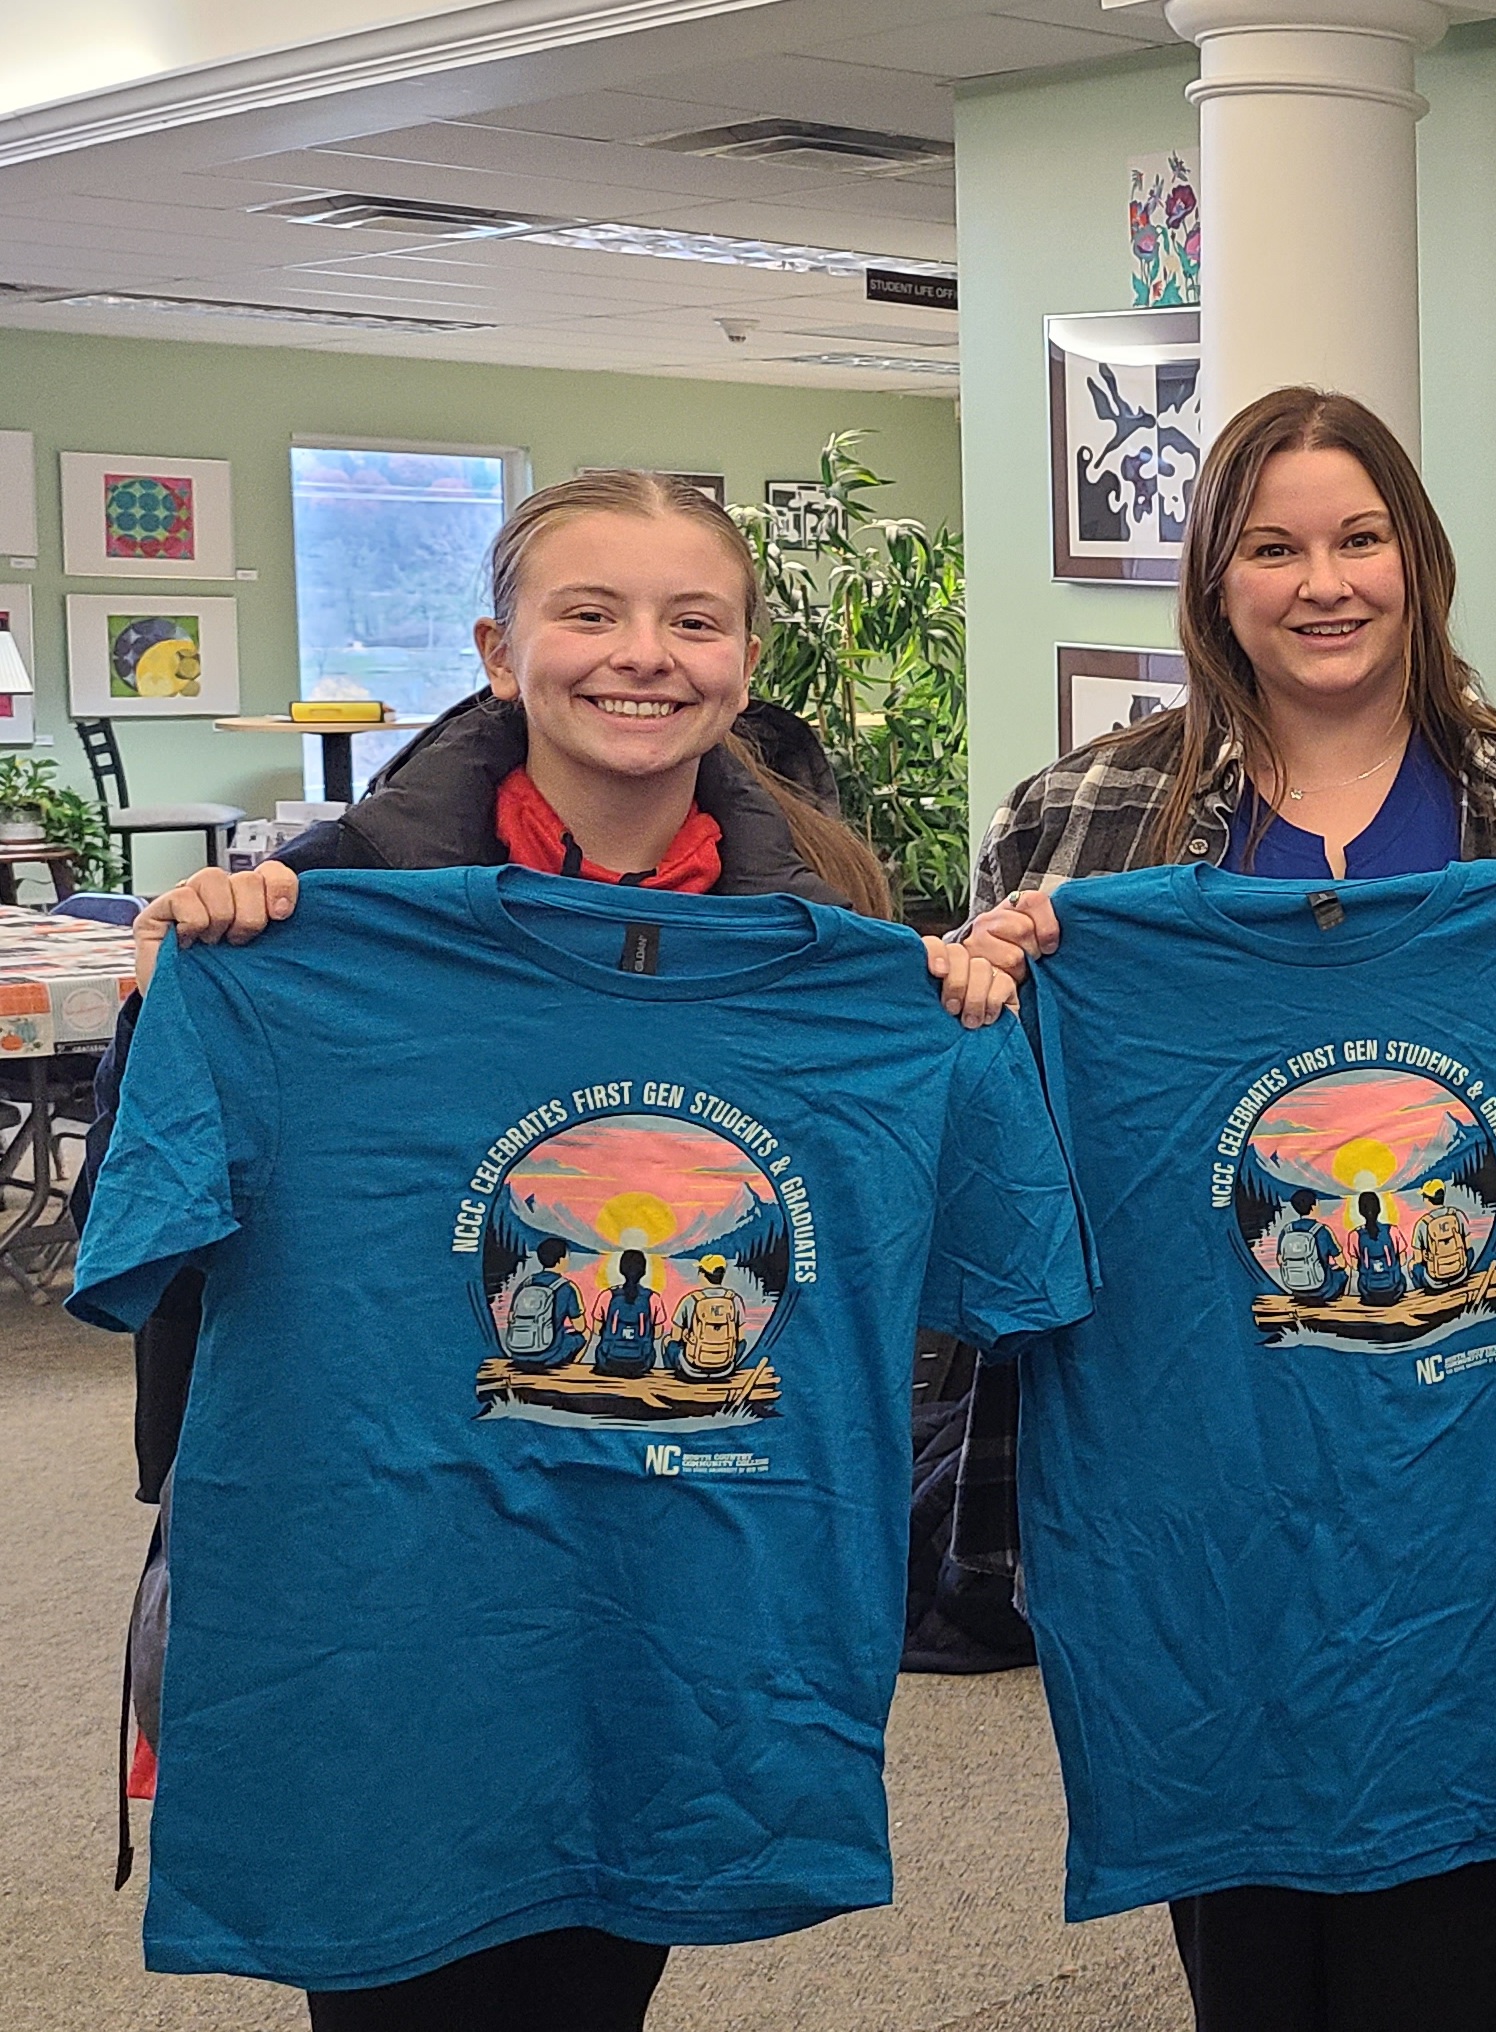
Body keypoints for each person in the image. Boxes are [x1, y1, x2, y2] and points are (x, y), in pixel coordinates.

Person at [80, 466, 1013, 2032]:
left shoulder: (835, 934)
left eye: (690, 619)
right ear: (498, 651)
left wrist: (962, 1013)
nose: (641, 653)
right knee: (398, 1972)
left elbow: (958, 1280)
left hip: (680, 1608)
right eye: (588, 612)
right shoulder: (320, 909)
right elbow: (144, 1239)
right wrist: (167, 996)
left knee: (595, 1976)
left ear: (744, 658)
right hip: (391, 1601)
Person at [958, 385, 1496, 2032]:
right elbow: (992, 1150)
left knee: (1452, 1942)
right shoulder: (1080, 820)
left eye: (1359, 538)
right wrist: (982, 998)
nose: (1325, 581)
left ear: (1416, 560)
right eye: (1274, 546)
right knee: (1248, 1936)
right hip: (1205, 1472)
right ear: (1213, 581)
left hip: (1480, 1471)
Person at [502, 1238, 589, 1370]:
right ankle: (570, 1369)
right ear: (560, 1260)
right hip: (547, 1355)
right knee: (585, 1334)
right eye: (567, 1256)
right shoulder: (566, 1287)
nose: (568, 1260)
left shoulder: (526, 1283)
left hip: (518, 1352)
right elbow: (580, 1327)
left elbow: (511, 1318)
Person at [670, 1256, 746, 1381]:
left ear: (702, 1274)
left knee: (668, 1342)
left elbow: (675, 1337)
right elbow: (741, 1338)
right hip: (725, 1367)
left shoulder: (690, 1300)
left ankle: (677, 1378)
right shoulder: (735, 1300)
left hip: (692, 1368)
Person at [594, 1251, 662, 1378]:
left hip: (608, 1362)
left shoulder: (607, 1296)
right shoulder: (653, 1298)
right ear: (643, 1271)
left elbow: (596, 1330)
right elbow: (657, 1334)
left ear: (621, 1269)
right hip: (642, 1363)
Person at [1274, 1190, 1341, 1301]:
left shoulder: (1286, 1230)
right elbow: (1341, 1262)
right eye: (1317, 1202)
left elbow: (1280, 1260)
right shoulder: (1321, 1230)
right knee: (1341, 1274)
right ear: (1313, 1206)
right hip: (1322, 1290)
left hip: (1294, 1287)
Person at [1348, 1189, 1407, 1306]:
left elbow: (1354, 1266)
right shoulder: (1392, 1230)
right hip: (1394, 1291)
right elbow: (1403, 1260)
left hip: (1368, 1292)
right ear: (1379, 1209)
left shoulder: (1354, 1235)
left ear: (1360, 1211)